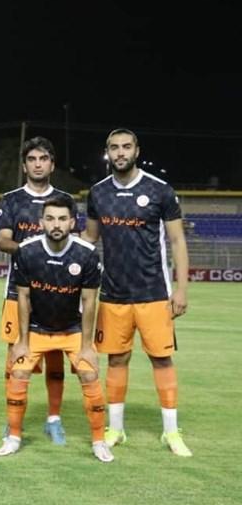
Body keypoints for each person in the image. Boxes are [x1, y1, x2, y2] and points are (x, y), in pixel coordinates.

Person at [82, 128, 191, 457]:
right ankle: (116, 429)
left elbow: (177, 241)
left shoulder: (160, 190)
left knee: (161, 358)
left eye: (126, 147)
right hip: (113, 294)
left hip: (154, 292)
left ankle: (171, 432)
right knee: (117, 358)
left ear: (137, 150)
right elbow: (90, 239)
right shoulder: (98, 193)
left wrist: (181, 289)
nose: (120, 153)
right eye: (114, 147)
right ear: (108, 152)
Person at [0, 196, 113, 463]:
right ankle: (13, 437)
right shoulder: (27, 251)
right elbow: (23, 297)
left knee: (89, 374)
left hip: (72, 330)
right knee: (18, 372)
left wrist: (87, 346)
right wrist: (22, 341)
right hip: (37, 329)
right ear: (41, 222)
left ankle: (99, 441)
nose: (56, 224)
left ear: (72, 222)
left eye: (62, 219)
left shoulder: (86, 254)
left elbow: (89, 301)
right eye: (50, 218)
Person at [0, 136, 73, 444]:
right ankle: (12, 420)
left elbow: (73, 242)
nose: (38, 164)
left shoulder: (65, 199)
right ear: (24, 165)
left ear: (52, 164)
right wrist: (33, 251)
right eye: (32, 159)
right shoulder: (12, 199)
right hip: (18, 291)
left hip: (58, 293)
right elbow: (3, 241)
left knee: (55, 357)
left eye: (43, 159)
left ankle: (54, 419)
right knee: (16, 355)